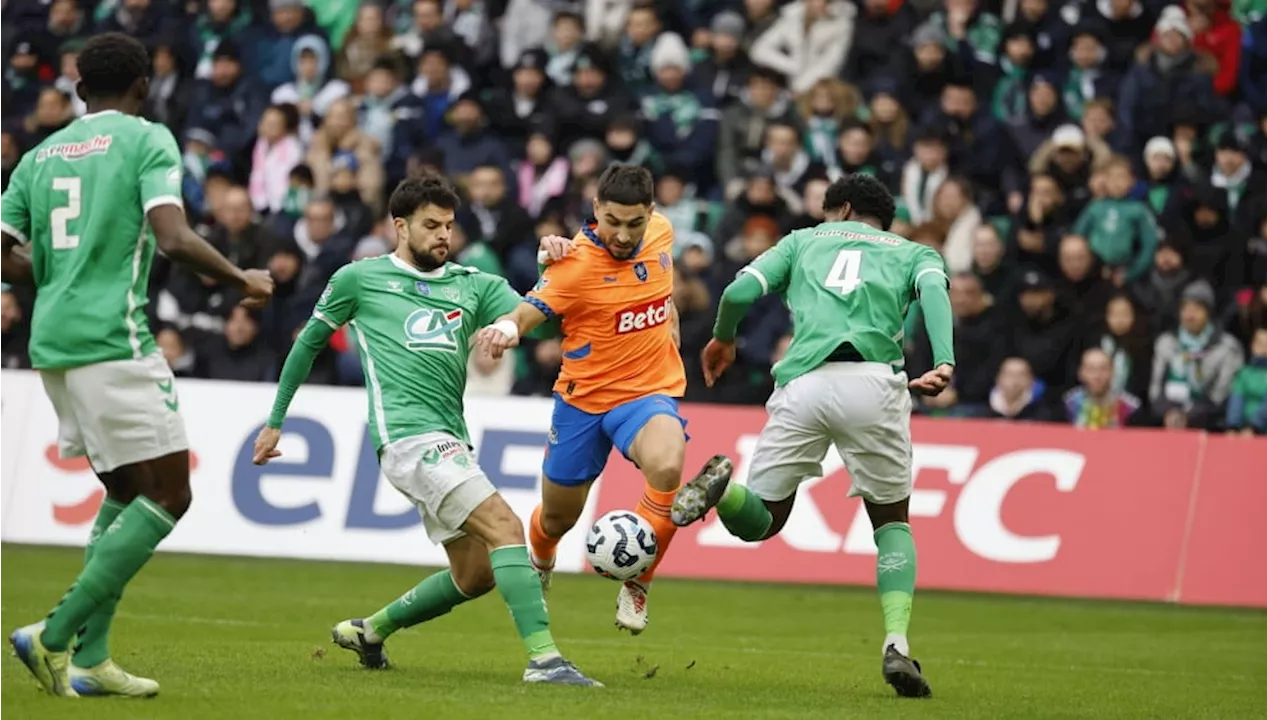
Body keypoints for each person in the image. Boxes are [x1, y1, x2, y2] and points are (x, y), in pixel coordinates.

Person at [0, 33, 275, 698]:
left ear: (77, 88)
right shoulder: (147, 139)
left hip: (53, 343)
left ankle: (92, 661)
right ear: (144, 86)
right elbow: (174, 236)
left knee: (124, 491)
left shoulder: (38, 156)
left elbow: (3, 250)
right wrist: (243, 277)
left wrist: (58, 273)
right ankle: (56, 633)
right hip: (112, 340)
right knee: (170, 494)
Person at [250, 172, 600, 688]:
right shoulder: (359, 279)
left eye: (449, 226)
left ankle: (372, 630)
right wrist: (275, 421)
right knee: (507, 527)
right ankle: (545, 661)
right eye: (431, 225)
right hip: (408, 440)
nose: (443, 235)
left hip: (450, 439)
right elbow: (308, 345)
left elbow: (541, 322)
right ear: (400, 226)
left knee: (475, 575)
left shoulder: (473, 283)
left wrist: (556, 270)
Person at [666, 173, 955, 699]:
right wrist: (943, 361)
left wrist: (723, 338)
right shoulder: (915, 252)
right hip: (873, 382)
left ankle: (723, 491)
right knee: (891, 520)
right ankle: (895, 643)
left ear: (841, 209)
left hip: (802, 383)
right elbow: (934, 292)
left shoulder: (801, 241)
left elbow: (736, 290)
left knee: (760, 522)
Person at [472, 163, 732, 635]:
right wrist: (507, 328)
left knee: (669, 466)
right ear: (596, 210)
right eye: (612, 221)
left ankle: (638, 581)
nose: (622, 234)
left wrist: (668, 316)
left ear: (651, 214)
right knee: (555, 519)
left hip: (647, 393)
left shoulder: (662, 234)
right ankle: (542, 562)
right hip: (583, 401)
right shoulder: (574, 262)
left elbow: (658, 292)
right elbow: (531, 309)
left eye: (634, 223)